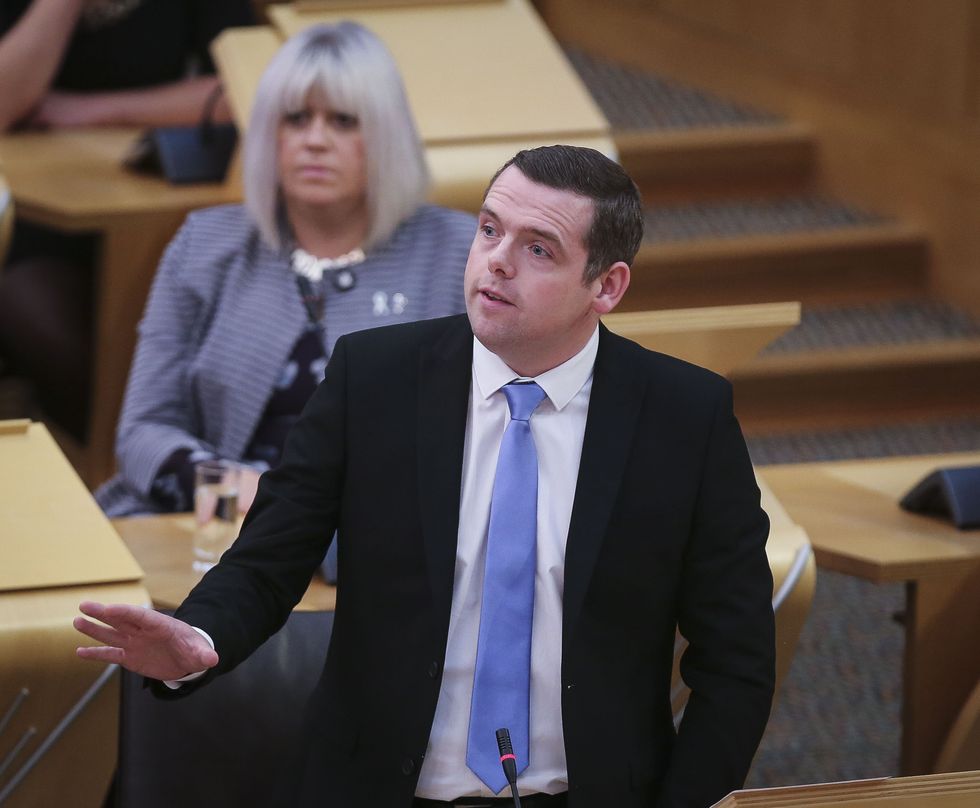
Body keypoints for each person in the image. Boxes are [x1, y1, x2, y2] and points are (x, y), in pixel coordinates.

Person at [75, 145, 775, 808]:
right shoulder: (371, 379)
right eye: (490, 230)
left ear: (607, 286)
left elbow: (735, 660)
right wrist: (200, 638)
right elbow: (266, 564)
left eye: (538, 249)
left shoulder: (686, 418)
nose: (496, 262)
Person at [92, 21, 476, 523]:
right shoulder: (203, 244)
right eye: (295, 119)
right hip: (205, 524)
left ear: (387, 135)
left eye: (343, 121)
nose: (315, 140)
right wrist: (233, 491)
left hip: (377, 541)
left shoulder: (461, 253)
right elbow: (144, 428)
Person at [0, 0, 256, 438]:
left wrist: (90, 111)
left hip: (154, 206)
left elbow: (243, 88)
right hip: (31, 218)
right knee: (34, 304)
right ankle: (116, 458)